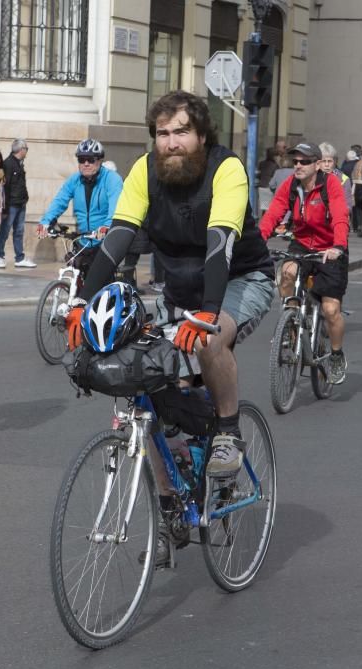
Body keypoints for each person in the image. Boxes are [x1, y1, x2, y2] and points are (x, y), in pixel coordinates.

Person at [65, 90, 275, 480]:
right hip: (179, 289)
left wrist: (209, 312)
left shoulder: (226, 168)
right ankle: (168, 506)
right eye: (163, 134)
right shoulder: (145, 170)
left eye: (182, 131)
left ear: (202, 136)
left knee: (209, 340)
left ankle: (228, 431)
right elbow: (118, 238)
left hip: (239, 278)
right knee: (148, 377)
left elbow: (220, 242)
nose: (172, 142)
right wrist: (81, 300)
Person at [260, 141, 350, 384]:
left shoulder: (330, 184)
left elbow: (341, 215)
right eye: (295, 161)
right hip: (302, 243)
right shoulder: (291, 185)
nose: (297, 165)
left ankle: (336, 354)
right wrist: (257, 241)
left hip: (330, 247)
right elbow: (273, 213)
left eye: (304, 161)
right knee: (286, 272)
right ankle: (289, 324)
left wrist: (338, 246)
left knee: (331, 310)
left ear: (318, 165)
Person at [36, 139, 124, 281]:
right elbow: (60, 201)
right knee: (78, 285)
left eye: (90, 159)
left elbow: (115, 207)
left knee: (101, 285)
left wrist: (107, 226)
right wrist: (46, 222)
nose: (86, 163)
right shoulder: (74, 180)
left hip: (104, 242)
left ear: (100, 160)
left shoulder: (112, 179)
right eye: (82, 159)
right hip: (83, 241)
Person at [0, 138, 36, 268]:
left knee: (19, 231)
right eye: (26, 149)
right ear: (21, 150)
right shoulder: (8, 164)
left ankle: (20, 258)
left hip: (21, 203)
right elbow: (5, 187)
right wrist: (5, 208)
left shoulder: (19, 163)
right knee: (5, 230)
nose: (27, 151)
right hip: (11, 204)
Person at [318, 142, 354, 211]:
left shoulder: (344, 179)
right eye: (323, 161)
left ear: (335, 162)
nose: (326, 164)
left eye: (329, 161)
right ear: (318, 162)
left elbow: (348, 206)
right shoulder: (312, 177)